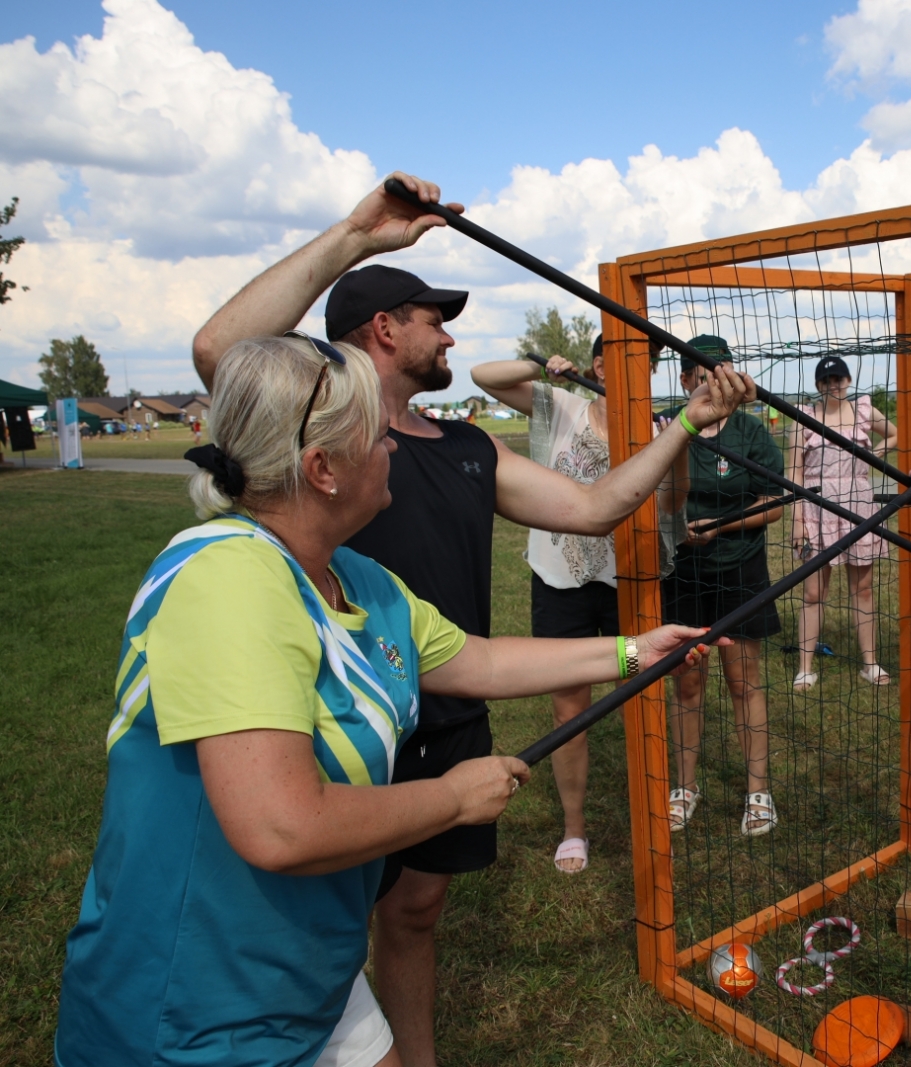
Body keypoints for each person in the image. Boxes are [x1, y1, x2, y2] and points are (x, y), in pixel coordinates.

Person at [190, 172, 756, 1067]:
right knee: (314, 919)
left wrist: (687, 419)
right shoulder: (312, 431)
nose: (449, 332)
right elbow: (223, 350)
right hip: (340, 716)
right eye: (433, 317)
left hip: (447, 696)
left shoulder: (463, 445)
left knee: (414, 910)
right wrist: (357, 235)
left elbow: (598, 505)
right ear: (383, 328)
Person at [54, 335, 717, 1067]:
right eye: (377, 437)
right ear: (321, 469)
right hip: (193, 1009)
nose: (395, 449)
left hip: (312, 973)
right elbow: (282, 825)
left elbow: (482, 658)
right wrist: (452, 797)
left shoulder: (358, 579)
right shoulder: (225, 580)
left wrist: (636, 651)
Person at [470, 337, 688, 874]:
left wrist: (680, 451)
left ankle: (651, 813)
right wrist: (543, 363)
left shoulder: (662, 428)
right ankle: (574, 829)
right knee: (569, 705)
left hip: (632, 579)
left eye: (651, 363)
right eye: (634, 361)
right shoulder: (562, 404)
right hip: (561, 580)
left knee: (641, 695)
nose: (646, 371)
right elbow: (484, 376)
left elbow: (675, 503)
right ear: (600, 366)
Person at [662, 336, 787, 838]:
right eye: (699, 372)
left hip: (741, 569)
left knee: (744, 681)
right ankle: (684, 787)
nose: (711, 379)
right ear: (685, 378)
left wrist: (722, 525)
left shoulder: (752, 431)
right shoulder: (671, 423)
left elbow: (774, 504)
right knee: (686, 680)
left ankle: (759, 793)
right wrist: (679, 528)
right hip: (683, 573)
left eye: (720, 370)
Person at [789, 354, 898, 691]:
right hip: (816, 510)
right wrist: (797, 521)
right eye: (826, 381)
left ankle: (870, 663)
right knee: (813, 592)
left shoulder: (865, 410)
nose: (833, 386)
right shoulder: (804, 418)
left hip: (859, 508)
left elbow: (896, 434)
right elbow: (792, 470)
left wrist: (876, 452)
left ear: (848, 381)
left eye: (838, 379)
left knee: (863, 589)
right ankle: (805, 668)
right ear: (818, 386)